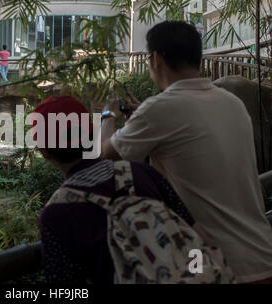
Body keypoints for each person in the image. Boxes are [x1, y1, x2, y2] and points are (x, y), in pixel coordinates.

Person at [100, 21, 272, 284]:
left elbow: (104, 156)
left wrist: (108, 114)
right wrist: (143, 117)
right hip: (262, 256)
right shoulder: (233, 103)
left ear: (156, 58)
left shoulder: (159, 110)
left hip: (215, 267)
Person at [33, 96, 231, 284]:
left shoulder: (55, 215)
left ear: (44, 151)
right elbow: (198, 237)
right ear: (91, 133)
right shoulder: (143, 173)